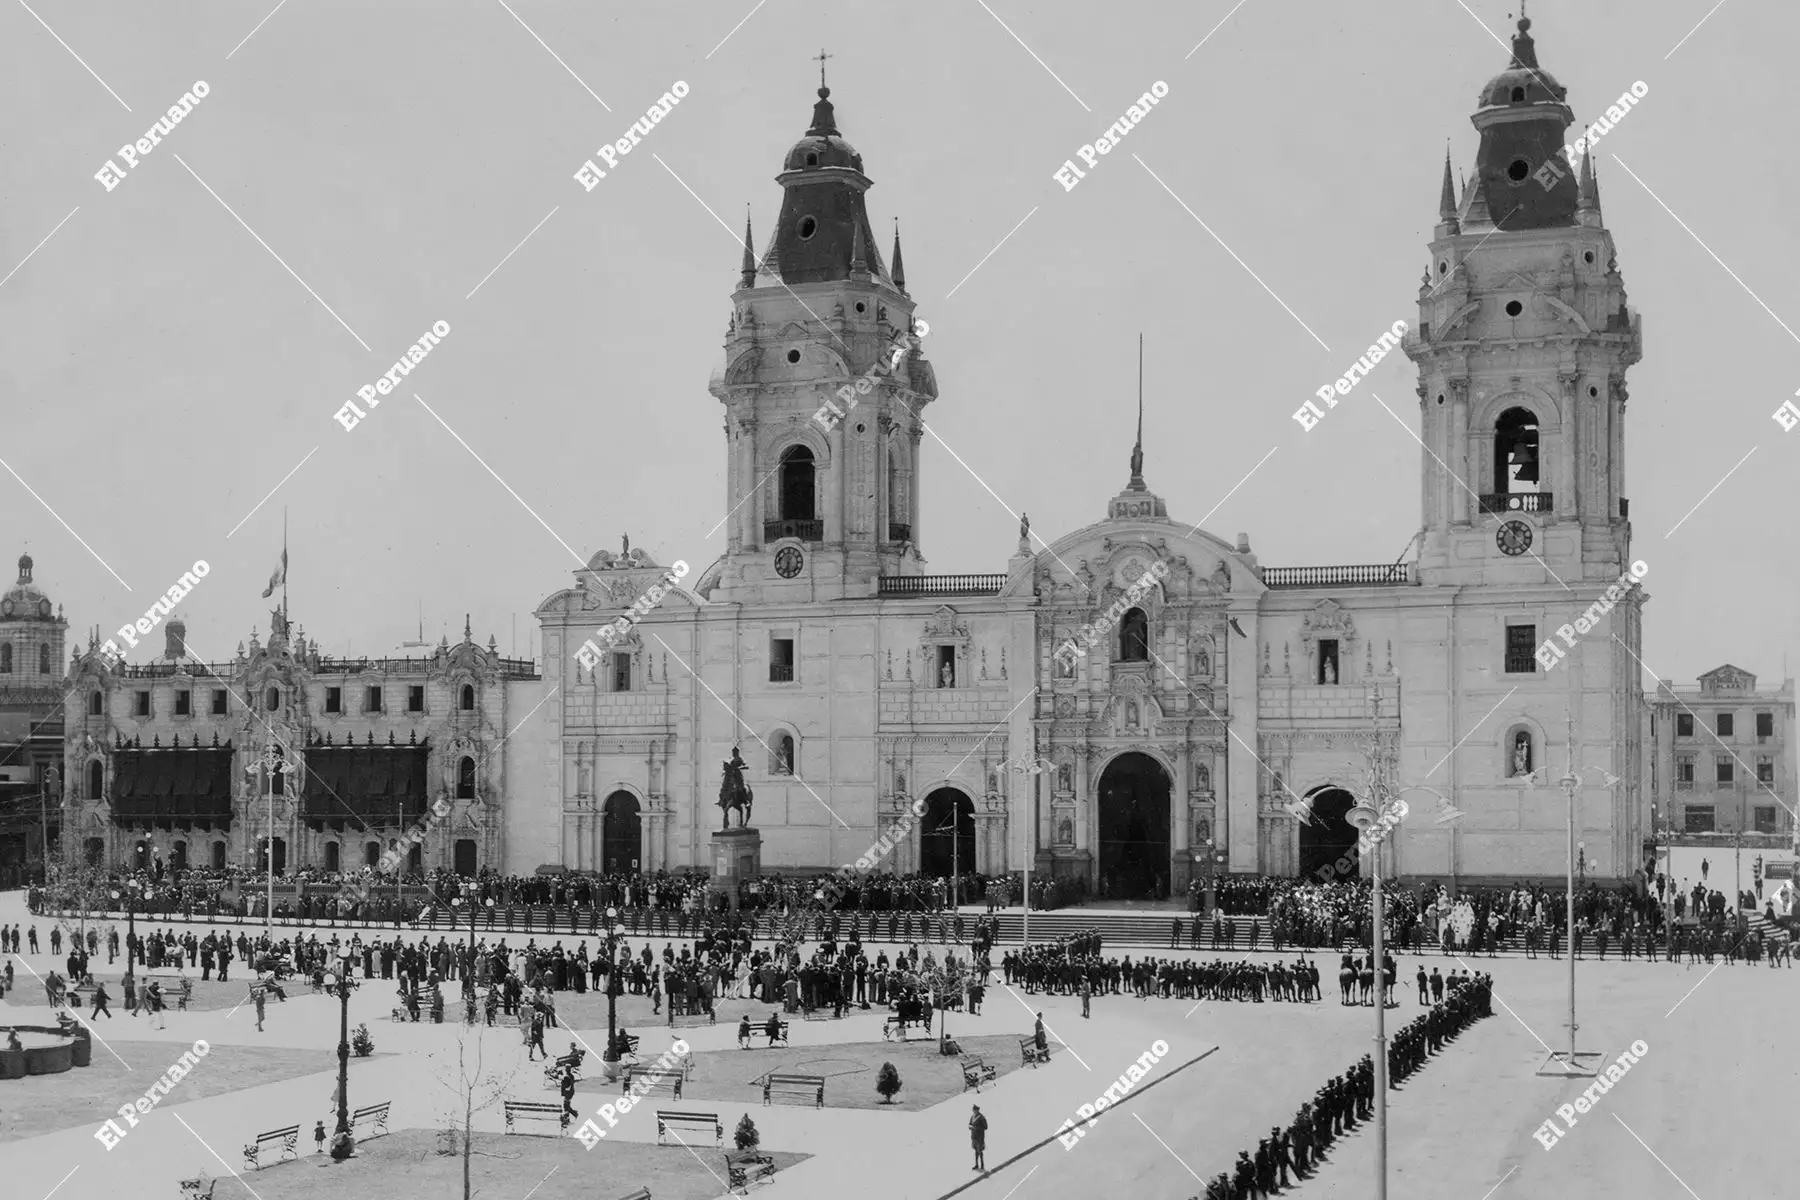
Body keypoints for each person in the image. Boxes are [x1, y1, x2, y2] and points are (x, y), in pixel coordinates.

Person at [969, 1104, 987, 1172]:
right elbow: (970, 1123)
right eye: (973, 1110)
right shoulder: (972, 1117)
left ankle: (982, 1165)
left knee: (980, 1151)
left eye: (975, 1110)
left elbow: (985, 1127)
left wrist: (976, 1128)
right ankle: (976, 1164)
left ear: (977, 1110)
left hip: (980, 1137)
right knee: (976, 1151)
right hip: (974, 1137)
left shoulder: (981, 1117)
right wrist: (970, 1127)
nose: (974, 1111)